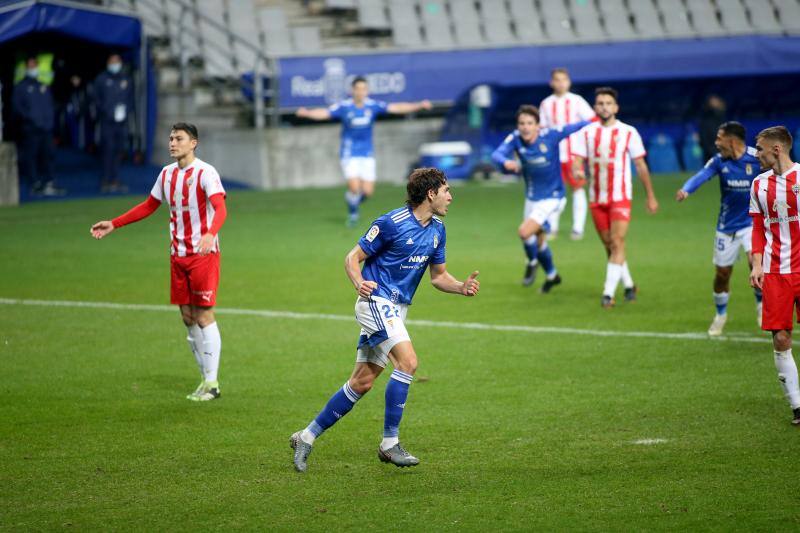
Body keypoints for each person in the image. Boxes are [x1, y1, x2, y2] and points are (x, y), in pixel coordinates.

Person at [289, 168, 480, 472]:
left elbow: (439, 276)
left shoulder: (438, 229)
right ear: (430, 194)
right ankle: (390, 444)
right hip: (376, 302)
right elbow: (352, 257)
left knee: (362, 382)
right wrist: (358, 282)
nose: (450, 197)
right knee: (408, 362)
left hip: (397, 309)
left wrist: (460, 287)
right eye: (446, 190)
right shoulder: (391, 223)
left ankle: (306, 436)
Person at [90, 123, 227, 401]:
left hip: (202, 255)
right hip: (177, 255)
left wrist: (210, 234)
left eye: (179, 139)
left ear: (194, 143)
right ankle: (204, 380)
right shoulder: (166, 174)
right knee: (187, 318)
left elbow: (221, 207)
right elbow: (149, 205)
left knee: (203, 315)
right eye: (170, 138)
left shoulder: (205, 172)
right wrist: (114, 224)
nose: (172, 143)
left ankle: (212, 384)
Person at [296, 76, 432, 226]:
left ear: (367, 91)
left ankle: (352, 203)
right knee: (354, 188)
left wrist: (418, 106)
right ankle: (353, 213)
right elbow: (325, 113)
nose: (361, 92)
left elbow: (396, 108)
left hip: (367, 154)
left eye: (364, 89)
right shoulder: (344, 107)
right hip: (349, 154)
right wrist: (307, 113)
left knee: (367, 192)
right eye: (358, 89)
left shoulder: (372, 106)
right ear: (352, 90)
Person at [571, 87, 659, 308]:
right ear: (595, 107)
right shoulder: (586, 132)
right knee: (610, 246)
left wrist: (650, 195)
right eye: (600, 103)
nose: (604, 107)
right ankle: (628, 285)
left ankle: (607, 294)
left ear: (616, 107)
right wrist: (578, 171)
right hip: (596, 198)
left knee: (617, 241)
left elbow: (640, 165)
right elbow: (577, 161)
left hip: (620, 197)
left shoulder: (628, 132)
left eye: (608, 103)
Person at [491, 104, 592, 292]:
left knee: (524, 232)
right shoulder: (515, 138)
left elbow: (576, 126)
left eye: (530, 123)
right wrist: (506, 162)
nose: (525, 127)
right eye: (522, 123)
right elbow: (496, 154)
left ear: (538, 126)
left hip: (553, 198)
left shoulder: (550, 135)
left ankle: (531, 262)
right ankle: (553, 276)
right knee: (538, 241)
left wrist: (596, 120)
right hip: (532, 198)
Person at [676, 121, 762, 336]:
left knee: (756, 263)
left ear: (732, 141)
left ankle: (762, 307)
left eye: (719, 138)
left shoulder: (756, 158)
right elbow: (701, 176)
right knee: (722, 274)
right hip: (726, 226)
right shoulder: (718, 161)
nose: (715, 142)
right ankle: (721, 314)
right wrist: (686, 190)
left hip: (753, 223)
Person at [748, 125, 800, 425]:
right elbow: (757, 227)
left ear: (777, 149)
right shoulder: (759, 185)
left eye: (760, 148)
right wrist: (757, 264)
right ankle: (797, 406)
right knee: (780, 338)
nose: (757, 154)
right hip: (775, 270)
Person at [539, 68, 596, 240]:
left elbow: (592, 120)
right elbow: (542, 129)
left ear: (569, 82)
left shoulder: (577, 101)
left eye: (564, 79)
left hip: (574, 154)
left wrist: (584, 143)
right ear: (551, 82)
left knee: (578, 190)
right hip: (554, 156)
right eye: (557, 79)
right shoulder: (546, 103)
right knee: (554, 192)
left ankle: (577, 228)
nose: (560, 83)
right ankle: (552, 227)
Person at [12, 56, 64, 196]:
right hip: (30, 128)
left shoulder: (43, 85)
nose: (33, 68)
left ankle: (49, 183)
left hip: (46, 128)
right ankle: (34, 184)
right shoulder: (20, 87)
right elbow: (18, 108)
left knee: (49, 155)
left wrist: (49, 122)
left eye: (35, 65)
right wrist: (31, 120)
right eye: (30, 65)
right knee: (31, 156)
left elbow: (50, 106)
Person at [92, 53, 135, 193]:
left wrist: (125, 111)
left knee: (118, 150)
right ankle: (106, 179)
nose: (115, 64)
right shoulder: (101, 79)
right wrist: (106, 112)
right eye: (112, 61)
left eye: (117, 61)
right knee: (107, 149)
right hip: (107, 121)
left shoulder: (126, 79)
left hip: (121, 122)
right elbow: (96, 99)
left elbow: (130, 99)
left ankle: (115, 179)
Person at [699, 95, 727, 162]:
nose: (717, 104)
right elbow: (704, 139)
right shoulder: (706, 120)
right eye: (713, 102)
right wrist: (711, 151)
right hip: (711, 152)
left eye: (717, 102)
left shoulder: (723, 119)